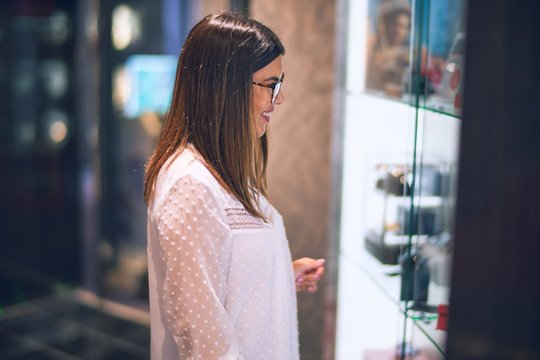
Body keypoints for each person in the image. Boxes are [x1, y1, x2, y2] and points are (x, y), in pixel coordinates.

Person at [143, 12, 325, 359]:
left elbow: (217, 280)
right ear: (225, 86)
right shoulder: (190, 186)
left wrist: (279, 274)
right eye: (271, 85)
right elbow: (204, 339)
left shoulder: (219, 170)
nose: (279, 98)